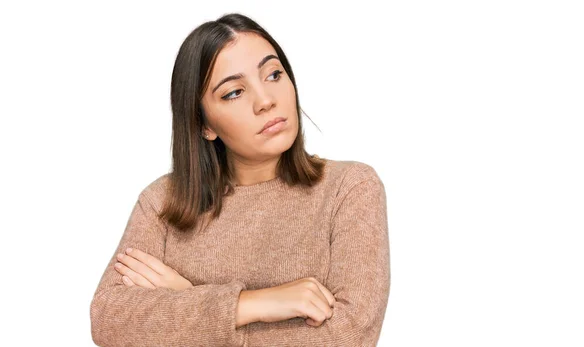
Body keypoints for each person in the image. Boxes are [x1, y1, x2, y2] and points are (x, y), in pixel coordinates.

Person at [90, 12, 390, 347]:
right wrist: (251, 304)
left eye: (273, 74)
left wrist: (189, 299)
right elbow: (109, 319)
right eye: (234, 92)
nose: (266, 101)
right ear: (204, 124)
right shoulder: (163, 201)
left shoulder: (349, 187)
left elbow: (350, 335)